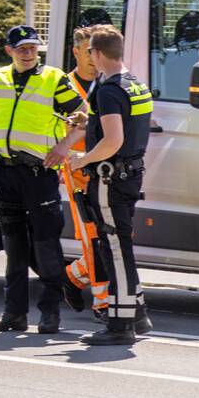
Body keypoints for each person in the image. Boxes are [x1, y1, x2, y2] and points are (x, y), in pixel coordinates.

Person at [0, 25, 84, 334]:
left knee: (45, 246)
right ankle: (14, 314)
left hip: (39, 173)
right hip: (5, 171)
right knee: (14, 247)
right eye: (21, 48)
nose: (28, 53)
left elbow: (83, 116)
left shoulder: (54, 79)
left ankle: (50, 314)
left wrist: (64, 148)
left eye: (32, 48)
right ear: (9, 51)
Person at [68, 25, 152, 345]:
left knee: (114, 248)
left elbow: (113, 140)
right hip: (131, 174)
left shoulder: (109, 90)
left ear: (98, 53)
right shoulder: (134, 84)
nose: (90, 56)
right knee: (122, 247)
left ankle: (119, 325)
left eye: (91, 51)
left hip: (110, 177)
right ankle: (138, 313)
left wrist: (82, 159)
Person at [60, 25, 110, 320]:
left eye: (96, 51)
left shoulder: (108, 82)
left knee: (114, 235)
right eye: (87, 51)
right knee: (93, 237)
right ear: (75, 52)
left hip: (106, 171)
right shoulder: (62, 86)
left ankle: (73, 276)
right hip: (78, 173)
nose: (93, 57)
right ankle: (102, 302)